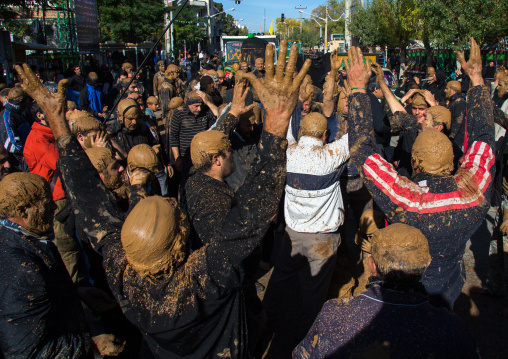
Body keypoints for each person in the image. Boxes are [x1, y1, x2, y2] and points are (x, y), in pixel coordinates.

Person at [14, 40, 311, 358]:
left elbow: (89, 200)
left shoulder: (123, 277)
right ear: (181, 240)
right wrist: (278, 123)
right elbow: (254, 211)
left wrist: (59, 127)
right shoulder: (206, 280)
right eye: (176, 213)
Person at [344, 39, 495, 310]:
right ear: (454, 161)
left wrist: (357, 90)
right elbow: (484, 138)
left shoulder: (409, 200)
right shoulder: (474, 192)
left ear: (414, 162)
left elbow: (363, 155)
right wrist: (477, 80)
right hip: (447, 294)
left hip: (409, 298)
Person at [294, 224, 480, 359]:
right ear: (427, 263)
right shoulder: (452, 328)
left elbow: (302, 355)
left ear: (371, 265)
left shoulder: (334, 312)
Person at [262, 110, 350, 353]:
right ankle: (303, 342)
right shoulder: (331, 156)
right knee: (313, 294)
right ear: (324, 135)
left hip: (292, 236)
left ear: (302, 133)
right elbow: (358, 135)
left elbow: (288, 133)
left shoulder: (289, 153)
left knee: (279, 282)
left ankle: (263, 326)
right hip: (323, 240)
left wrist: (292, 105)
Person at [0, 172, 91, 357]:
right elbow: (28, 352)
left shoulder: (27, 239)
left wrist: (75, 293)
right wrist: (89, 342)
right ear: (23, 211)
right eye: (47, 203)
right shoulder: (24, 271)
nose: (55, 207)